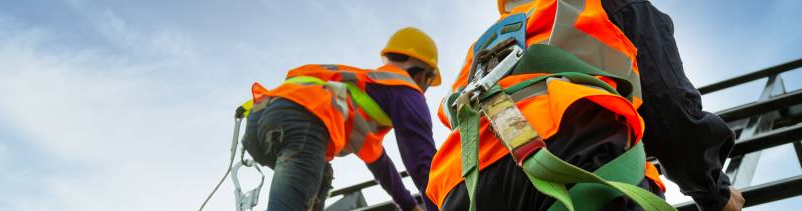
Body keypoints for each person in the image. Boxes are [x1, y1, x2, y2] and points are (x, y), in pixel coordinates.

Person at [425, 0, 741, 210]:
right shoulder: (602, 4)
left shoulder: (487, 44)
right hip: (577, 152)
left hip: (462, 185)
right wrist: (714, 191)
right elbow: (668, 107)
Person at [242, 27, 439, 211]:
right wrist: (444, 204)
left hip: (259, 121)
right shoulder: (405, 89)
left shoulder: (364, 94)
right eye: (428, 81)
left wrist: (409, 206)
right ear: (422, 73)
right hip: (302, 121)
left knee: (321, 179)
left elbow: (381, 166)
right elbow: (424, 163)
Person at [602, 0, 744, 210]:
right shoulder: (625, 6)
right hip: (600, 178)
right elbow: (668, 111)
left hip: (539, 168)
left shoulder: (541, 11)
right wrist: (716, 193)